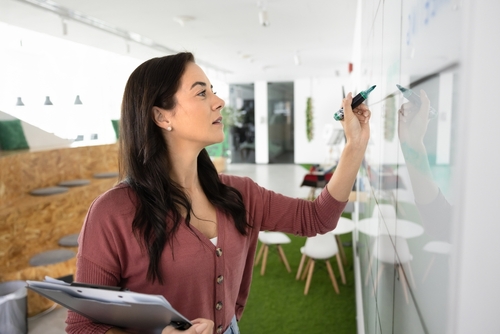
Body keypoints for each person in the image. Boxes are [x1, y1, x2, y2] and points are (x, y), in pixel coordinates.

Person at [65, 52, 371, 334]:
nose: (219, 101)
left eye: (212, 90)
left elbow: (317, 218)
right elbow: (82, 326)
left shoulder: (239, 194)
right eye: (202, 92)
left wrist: (355, 145)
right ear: (162, 117)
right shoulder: (111, 213)